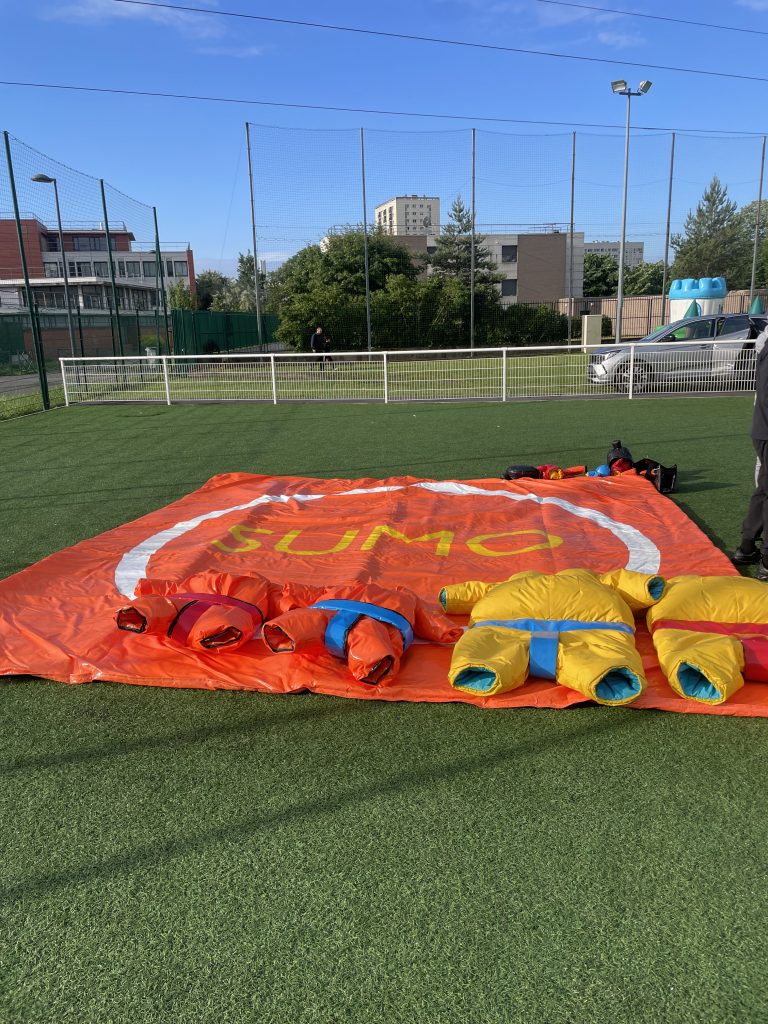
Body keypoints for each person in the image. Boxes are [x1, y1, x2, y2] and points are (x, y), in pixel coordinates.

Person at [733, 320, 768, 578]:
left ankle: (747, 546)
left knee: (764, 489)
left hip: (762, 428)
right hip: (765, 429)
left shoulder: (764, 343)